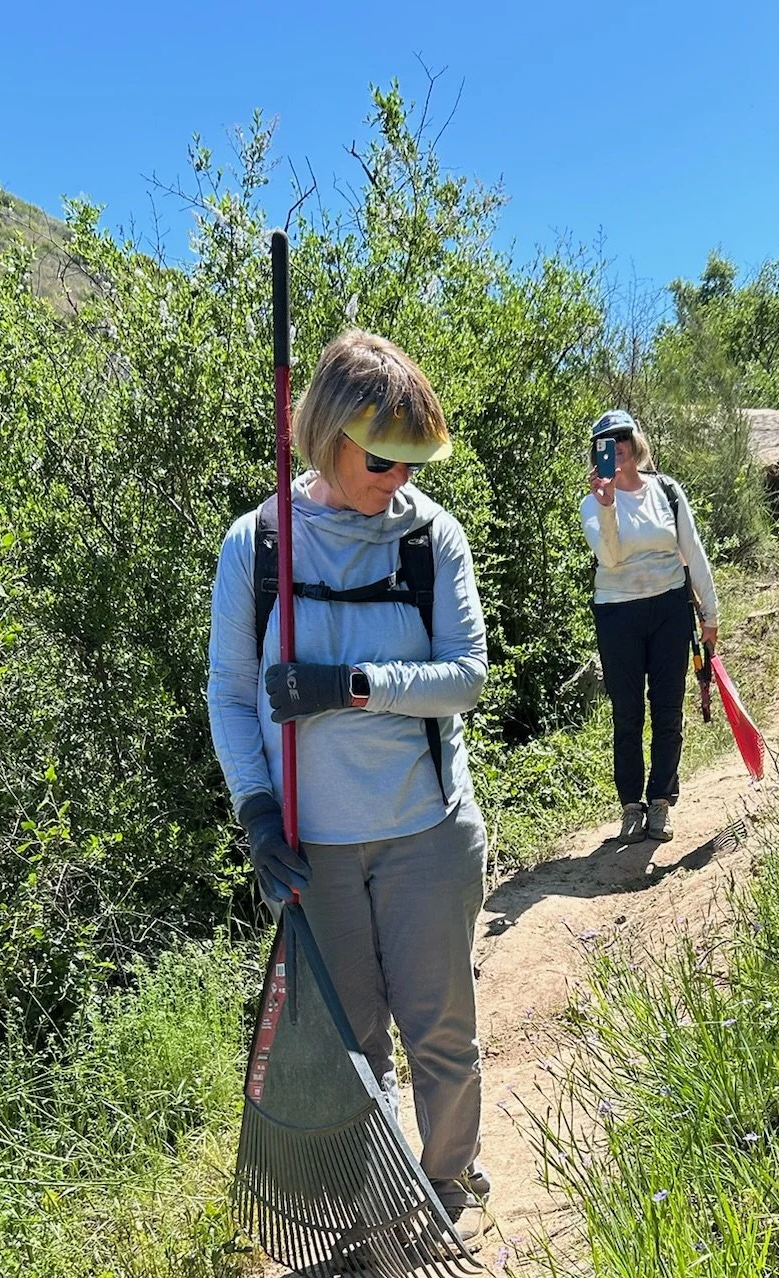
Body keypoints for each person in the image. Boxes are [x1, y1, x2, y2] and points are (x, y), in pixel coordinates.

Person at [206, 330, 492, 1221]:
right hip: (314, 845)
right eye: (381, 460)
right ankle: (379, 1207)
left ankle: (447, 1182)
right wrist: (256, 810)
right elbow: (230, 691)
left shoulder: (430, 538)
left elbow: (467, 676)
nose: (397, 481)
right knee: (355, 1044)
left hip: (427, 830)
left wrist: (352, 687)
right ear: (327, 435)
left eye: (411, 463)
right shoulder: (257, 548)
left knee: (440, 1030)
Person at [579, 409, 719, 845]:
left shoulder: (667, 491)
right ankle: (631, 807)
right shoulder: (592, 503)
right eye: (605, 440)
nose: (616, 445)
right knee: (627, 712)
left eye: (622, 436)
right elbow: (612, 558)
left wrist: (710, 614)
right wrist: (606, 508)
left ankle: (660, 801)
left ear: (636, 441)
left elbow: (692, 551)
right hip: (618, 612)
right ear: (597, 451)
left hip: (669, 609)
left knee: (667, 707)